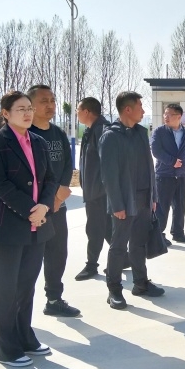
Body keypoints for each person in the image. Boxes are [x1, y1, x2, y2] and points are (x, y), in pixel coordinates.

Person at [0, 90, 58, 368]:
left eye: (29, 108)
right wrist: (31, 210)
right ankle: (7, 348)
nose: (28, 113)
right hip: (8, 225)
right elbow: (0, 184)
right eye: (21, 109)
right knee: (6, 288)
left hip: (38, 224)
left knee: (26, 285)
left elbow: (50, 179)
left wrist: (44, 207)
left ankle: (25, 336)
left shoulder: (38, 141)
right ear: (6, 113)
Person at [100, 91, 163, 309]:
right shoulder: (111, 136)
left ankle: (141, 283)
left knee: (139, 243)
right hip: (124, 201)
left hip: (144, 198)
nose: (143, 111)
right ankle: (114, 289)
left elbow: (149, 167)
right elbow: (108, 175)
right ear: (128, 109)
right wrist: (117, 205)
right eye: (140, 107)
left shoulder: (140, 133)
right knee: (118, 246)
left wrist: (153, 196)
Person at [27, 84, 80, 317]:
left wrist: (60, 195)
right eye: (43, 101)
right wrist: (49, 200)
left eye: (52, 100)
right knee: (31, 258)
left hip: (58, 205)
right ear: (30, 105)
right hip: (34, 208)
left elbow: (67, 164)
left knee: (57, 254)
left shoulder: (57, 133)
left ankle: (54, 299)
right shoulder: (26, 133)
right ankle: (21, 306)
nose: (50, 105)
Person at [75, 97, 112, 280]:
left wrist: (102, 188)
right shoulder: (91, 130)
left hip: (99, 192)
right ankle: (124, 258)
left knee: (94, 229)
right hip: (94, 190)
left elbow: (109, 164)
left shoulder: (103, 131)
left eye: (78, 110)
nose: (77, 114)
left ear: (87, 112)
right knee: (107, 228)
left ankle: (91, 265)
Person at [151, 103, 185, 245]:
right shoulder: (159, 132)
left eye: (169, 114)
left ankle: (178, 233)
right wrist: (172, 161)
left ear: (179, 116)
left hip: (182, 175)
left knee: (180, 206)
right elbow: (156, 151)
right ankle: (159, 236)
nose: (166, 117)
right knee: (162, 207)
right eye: (165, 114)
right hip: (164, 175)